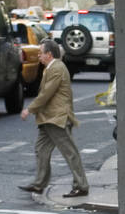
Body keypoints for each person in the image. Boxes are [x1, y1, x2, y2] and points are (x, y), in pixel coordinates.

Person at [19, 39, 89, 198]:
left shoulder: (57, 68)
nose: (38, 56)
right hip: (48, 118)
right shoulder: (50, 68)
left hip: (57, 118)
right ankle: (39, 184)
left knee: (70, 152)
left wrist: (29, 109)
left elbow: (46, 94)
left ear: (49, 54)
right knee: (41, 149)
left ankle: (81, 186)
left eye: (40, 53)